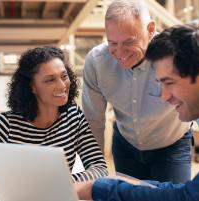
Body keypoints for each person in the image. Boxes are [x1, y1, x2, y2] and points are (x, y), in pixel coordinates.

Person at [76, 23, 199, 201]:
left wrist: (100, 189)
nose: (164, 97)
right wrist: (122, 184)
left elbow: (192, 197)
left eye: (169, 83)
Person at [0, 47, 108, 194]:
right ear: (32, 87)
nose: (62, 85)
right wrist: (4, 187)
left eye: (64, 76)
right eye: (50, 80)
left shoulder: (74, 117)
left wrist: (57, 184)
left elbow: (100, 169)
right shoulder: (7, 124)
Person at [82, 0, 191, 183]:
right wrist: (95, 170)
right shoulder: (97, 62)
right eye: (112, 43)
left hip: (172, 146)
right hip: (126, 146)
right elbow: (93, 120)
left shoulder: (176, 55)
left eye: (129, 42)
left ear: (150, 30)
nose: (120, 52)